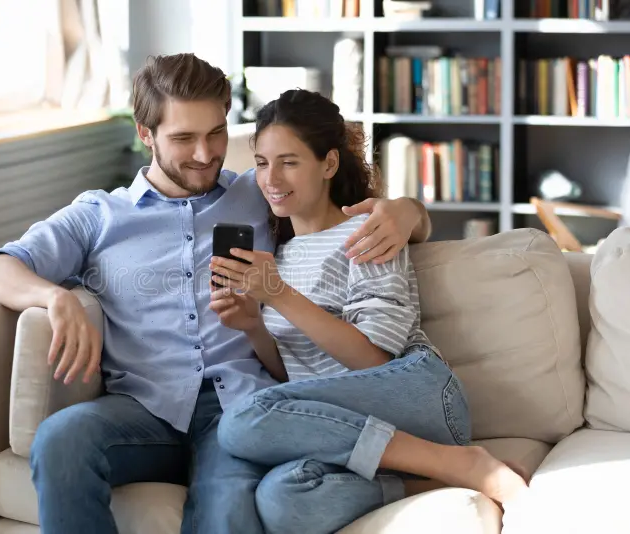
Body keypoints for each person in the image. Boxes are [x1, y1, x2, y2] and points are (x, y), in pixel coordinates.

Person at [0, 53, 433, 534]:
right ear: (145, 133)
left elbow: (349, 209)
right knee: (60, 439)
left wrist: (409, 210)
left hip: (239, 411)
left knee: (226, 512)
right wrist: (55, 298)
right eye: (184, 138)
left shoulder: (261, 190)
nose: (207, 153)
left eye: (215, 132)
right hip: (143, 411)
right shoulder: (99, 216)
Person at [209, 88, 529, 534]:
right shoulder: (276, 257)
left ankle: (461, 461)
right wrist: (253, 325)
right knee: (282, 498)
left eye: (289, 161)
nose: (271, 178)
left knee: (240, 420)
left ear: (329, 164)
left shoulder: (368, 232)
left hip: (417, 394)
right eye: (261, 162)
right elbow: (300, 382)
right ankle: (436, 477)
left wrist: (280, 296)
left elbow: (374, 359)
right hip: (355, 428)